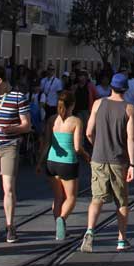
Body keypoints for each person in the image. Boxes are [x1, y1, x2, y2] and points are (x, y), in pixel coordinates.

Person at [81, 73, 134, 253]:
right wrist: (133, 164)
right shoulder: (129, 109)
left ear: (111, 86)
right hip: (118, 160)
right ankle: (121, 239)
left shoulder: (98, 104)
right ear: (125, 89)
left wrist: (97, 145)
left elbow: (89, 132)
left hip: (98, 158)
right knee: (121, 201)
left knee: (96, 198)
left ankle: (90, 230)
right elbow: (131, 138)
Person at [0, 67, 32, 243]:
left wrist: (13, 128)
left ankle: (10, 226)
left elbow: (26, 125)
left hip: (9, 145)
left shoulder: (18, 97)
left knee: (8, 187)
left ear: (0, 80)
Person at [37, 90, 87, 241]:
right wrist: (86, 156)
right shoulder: (76, 121)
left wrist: (40, 162)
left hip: (51, 162)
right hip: (68, 163)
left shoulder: (52, 119)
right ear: (72, 104)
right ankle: (62, 219)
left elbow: (46, 143)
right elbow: (77, 147)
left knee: (58, 197)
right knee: (71, 197)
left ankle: (59, 228)